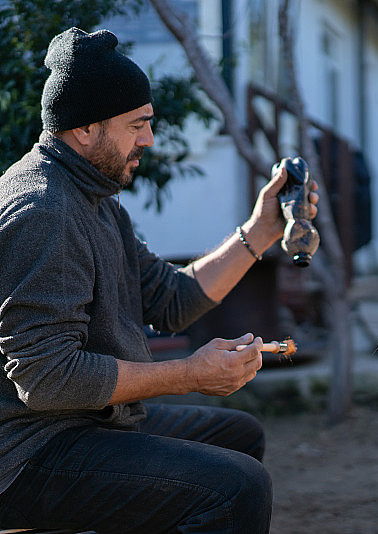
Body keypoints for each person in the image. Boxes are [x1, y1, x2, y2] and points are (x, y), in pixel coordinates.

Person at [0, 27, 317, 533]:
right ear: (84, 129)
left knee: (239, 435)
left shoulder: (95, 198)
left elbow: (172, 300)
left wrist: (261, 231)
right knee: (238, 487)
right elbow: (48, 378)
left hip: (89, 419)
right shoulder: (45, 211)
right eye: (137, 125)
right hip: (29, 450)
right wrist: (189, 374)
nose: (148, 139)